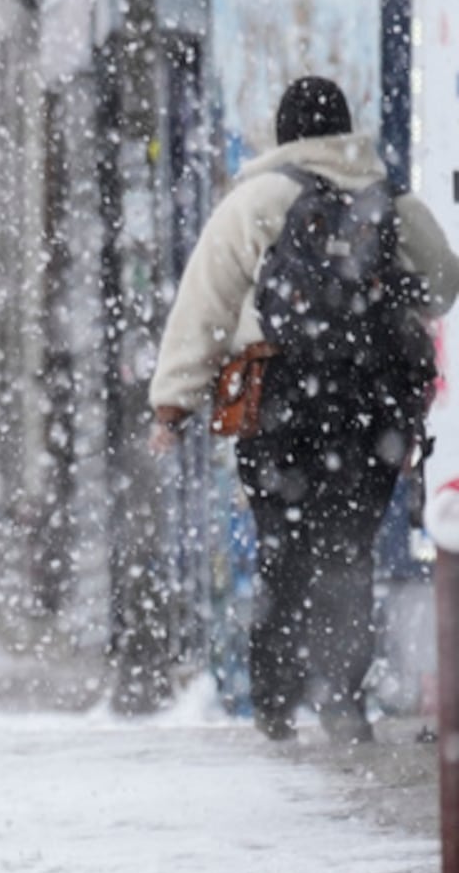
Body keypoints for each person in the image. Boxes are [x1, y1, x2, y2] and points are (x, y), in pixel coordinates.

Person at [150, 75, 459, 743]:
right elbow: (443, 287)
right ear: (347, 129)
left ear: (287, 133)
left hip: (279, 398)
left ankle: (274, 693)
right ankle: (343, 699)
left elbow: (205, 303)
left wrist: (172, 403)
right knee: (348, 550)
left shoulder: (259, 199)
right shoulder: (391, 202)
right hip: (369, 404)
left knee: (283, 545)